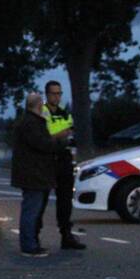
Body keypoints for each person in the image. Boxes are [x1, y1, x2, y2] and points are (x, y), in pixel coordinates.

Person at [11, 92, 68, 257]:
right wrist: (60, 142)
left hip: (31, 172)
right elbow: (41, 144)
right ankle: (29, 246)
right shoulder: (32, 123)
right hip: (34, 174)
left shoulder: (26, 122)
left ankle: (30, 243)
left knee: (31, 208)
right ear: (39, 105)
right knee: (31, 210)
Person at [39, 81, 87, 250]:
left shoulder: (65, 114)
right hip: (47, 161)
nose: (57, 97)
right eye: (53, 93)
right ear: (47, 94)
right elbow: (45, 137)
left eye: (59, 93)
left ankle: (66, 235)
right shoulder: (41, 113)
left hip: (64, 161)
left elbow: (69, 136)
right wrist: (60, 134)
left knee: (65, 200)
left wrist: (59, 135)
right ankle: (34, 236)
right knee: (41, 200)